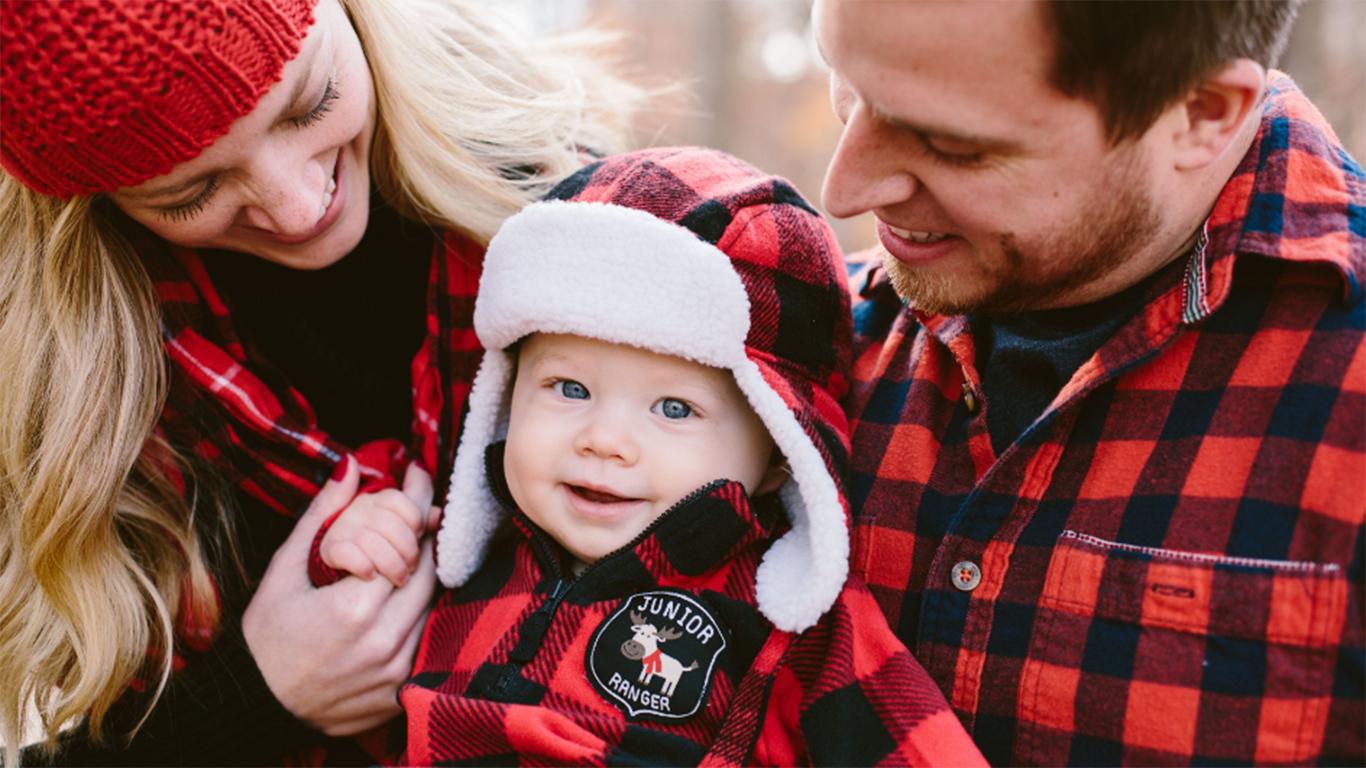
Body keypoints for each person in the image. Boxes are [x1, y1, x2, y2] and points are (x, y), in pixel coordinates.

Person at [0, 0, 638, 763]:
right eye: (190, 193)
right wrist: (259, 694)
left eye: (312, 102)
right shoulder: (60, 398)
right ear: (100, 203)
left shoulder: (590, 213)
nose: (299, 210)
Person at [813, 0, 1364, 764]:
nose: (845, 189)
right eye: (844, 84)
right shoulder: (801, 338)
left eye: (950, 144)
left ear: (1201, 114)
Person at [318, 146, 986, 765]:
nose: (605, 440)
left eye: (674, 410)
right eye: (569, 388)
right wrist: (350, 545)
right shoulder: (461, 552)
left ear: (783, 449)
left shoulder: (793, 626)